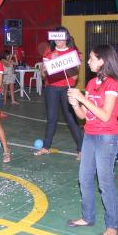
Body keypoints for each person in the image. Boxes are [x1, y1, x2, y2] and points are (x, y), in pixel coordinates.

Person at [67, 44, 118, 235]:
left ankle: (112, 225)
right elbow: (84, 116)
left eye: (92, 58)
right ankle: (88, 217)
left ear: (102, 61)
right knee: (84, 178)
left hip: (107, 138)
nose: (88, 62)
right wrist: (76, 104)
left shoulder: (113, 84)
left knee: (105, 182)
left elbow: (104, 115)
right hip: (90, 135)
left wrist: (82, 99)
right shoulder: (92, 83)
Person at [37, 26, 83, 158]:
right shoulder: (48, 53)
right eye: (56, 37)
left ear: (66, 37)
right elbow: (43, 74)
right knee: (51, 118)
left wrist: (60, 63)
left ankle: (81, 149)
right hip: (51, 88)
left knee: (71, 119)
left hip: (67, 89)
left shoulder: (73, 53)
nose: (58, 40)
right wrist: (49, 63)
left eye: (61, 36)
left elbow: (74, 77)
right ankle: (46, 147)